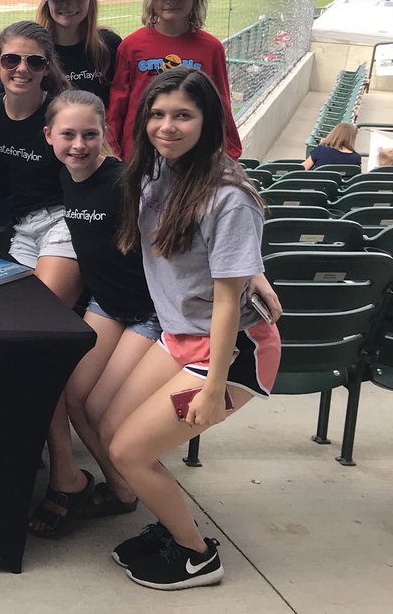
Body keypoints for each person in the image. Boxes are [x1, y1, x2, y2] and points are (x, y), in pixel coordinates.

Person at [104, 67, 280, 590]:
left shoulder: (228, 194)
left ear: (208, 120)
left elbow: (228, 301)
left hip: (232, 348)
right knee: (115, 427)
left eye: (183, 115)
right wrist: (258, 269)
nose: (167, 126)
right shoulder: (158, 170)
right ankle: (170, 525)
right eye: (157, 114)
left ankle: (197, 554)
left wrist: (212, 385)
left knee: (127, 452)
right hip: (181, 331)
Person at [0, 22, 91, 538]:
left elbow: (105, 168)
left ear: (49, 65)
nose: (21, 70)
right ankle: (30, 461)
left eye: (34, 61)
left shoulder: (60, 113)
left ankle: (66, 476)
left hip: (66, 223)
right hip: (19, 232)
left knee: (39, 340)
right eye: (11, 61)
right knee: (12, 342)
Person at [42, 90, 163, 528]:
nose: (78, 145)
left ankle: (124, 485)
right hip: (107, 305)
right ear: (49, 136)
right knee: (71, 394)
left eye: (89, 135)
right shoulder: (65, 178)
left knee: (96, 408)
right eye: (68, 135)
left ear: (105, 135)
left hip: (149, 313)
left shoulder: (127, 183)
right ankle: (118, 485)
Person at [107, 0, 242, 160]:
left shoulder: (211, 48)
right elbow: (118, 105)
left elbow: (221, 102)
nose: (172, 0)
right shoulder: (132, 46)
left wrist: (230, 151)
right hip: (139, 155)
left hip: (191, 154)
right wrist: (113, 152)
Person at [36, 0, 120, 106]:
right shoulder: (35, 49)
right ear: (47, 2)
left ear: (90, 0)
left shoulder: (110, 45)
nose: (69, 4)